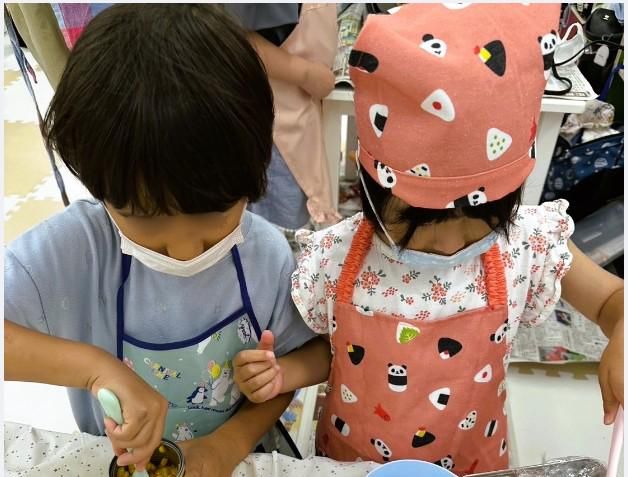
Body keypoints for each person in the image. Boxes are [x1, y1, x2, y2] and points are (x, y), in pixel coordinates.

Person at [233, 4, 624, 473]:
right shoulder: (337, 255)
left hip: (472, 457)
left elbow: (612, 301)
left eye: (479, 220)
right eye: (415, 224)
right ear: (370, 189)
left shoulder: (528, 244)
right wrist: (286, 373)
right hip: (354, 460)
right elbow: (331, 353)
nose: (447, 245)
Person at [4, 5, 316, 477]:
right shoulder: (77, 250)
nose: (185, 251)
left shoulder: (267, 255)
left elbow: (300, 360)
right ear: (99, 186)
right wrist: (92, 368)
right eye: (145, 220)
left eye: (212, 218)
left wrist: (227, 444)